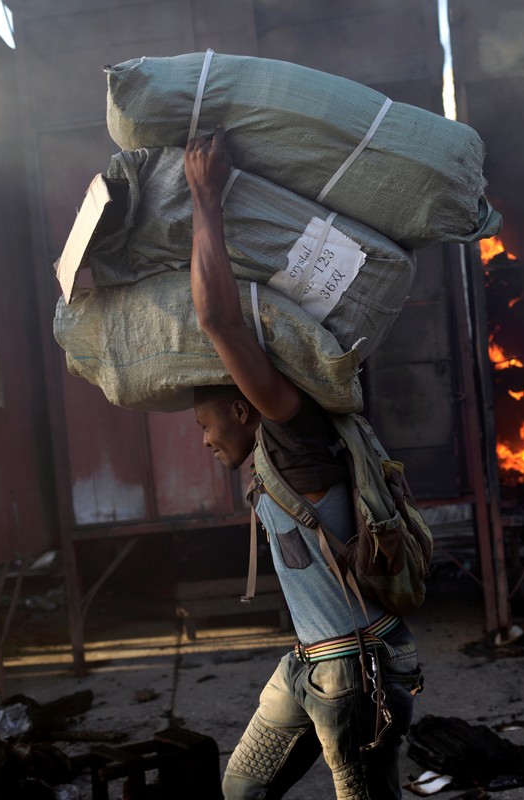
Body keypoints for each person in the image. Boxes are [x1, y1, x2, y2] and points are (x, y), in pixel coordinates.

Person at [184, 124, 423, 800]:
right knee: (241, 790)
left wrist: (206, 197)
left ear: (240, 408)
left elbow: (220, 322)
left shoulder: (293, 433)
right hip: (311, 666)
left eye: (204, 423)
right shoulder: (273, 451)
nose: (202, 440)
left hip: (357, 672)